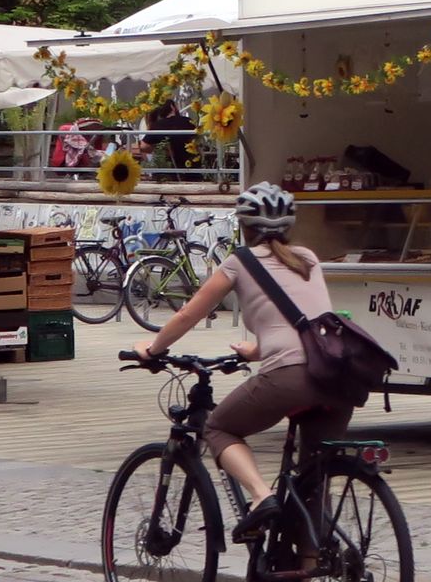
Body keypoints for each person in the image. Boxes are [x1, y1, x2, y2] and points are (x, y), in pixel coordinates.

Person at [133, 182, 352, 549]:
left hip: (290, 377)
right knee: (314, 482)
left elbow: (189, 314)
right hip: (337, 378)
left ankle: (260, 494)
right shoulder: (309, 259)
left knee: (218, 428)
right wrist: (258, 350)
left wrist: (153, 348)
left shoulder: (239, 262)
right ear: (289, 227)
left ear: (244, 227)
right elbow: (310, 327)